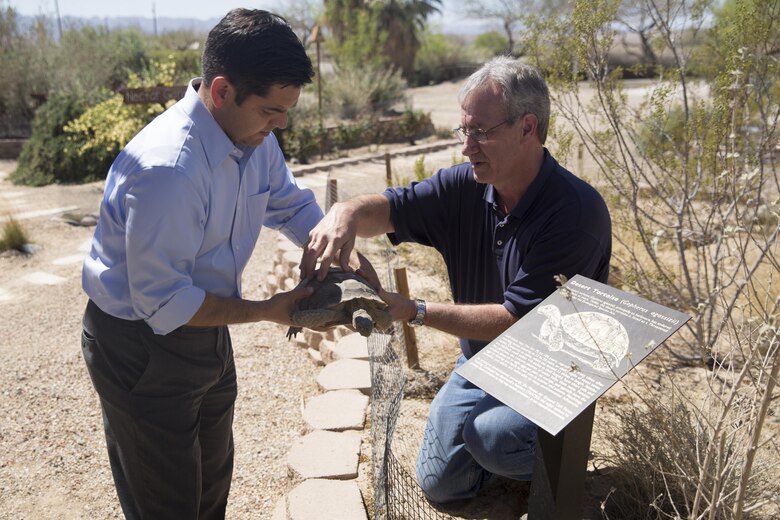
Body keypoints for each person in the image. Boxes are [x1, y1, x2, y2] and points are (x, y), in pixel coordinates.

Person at [301, 56, 612, 504]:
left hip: (553, 372)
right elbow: (392, 207)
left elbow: (517, 321)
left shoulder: (574, 213)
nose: (468, 146)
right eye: (464, 131)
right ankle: (513, 476)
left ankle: (561, 472)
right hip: (484, 363)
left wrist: (415, 312)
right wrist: (345, 214)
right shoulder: (466, 186)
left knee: (492, 439)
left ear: (528, 128)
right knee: (440, 485)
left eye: (481, 132)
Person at [80, 10, 323, 519]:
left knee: (211, 486)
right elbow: (166, 302)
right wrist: (267, 309)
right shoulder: (168, 169)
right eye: (269, 111)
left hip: (208, 325)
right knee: (166, 503)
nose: (279, 125)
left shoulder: (254, 136)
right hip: (140, 347)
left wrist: (339, 252)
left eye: (285, 111)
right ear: (220, 91)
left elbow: (290, 204)